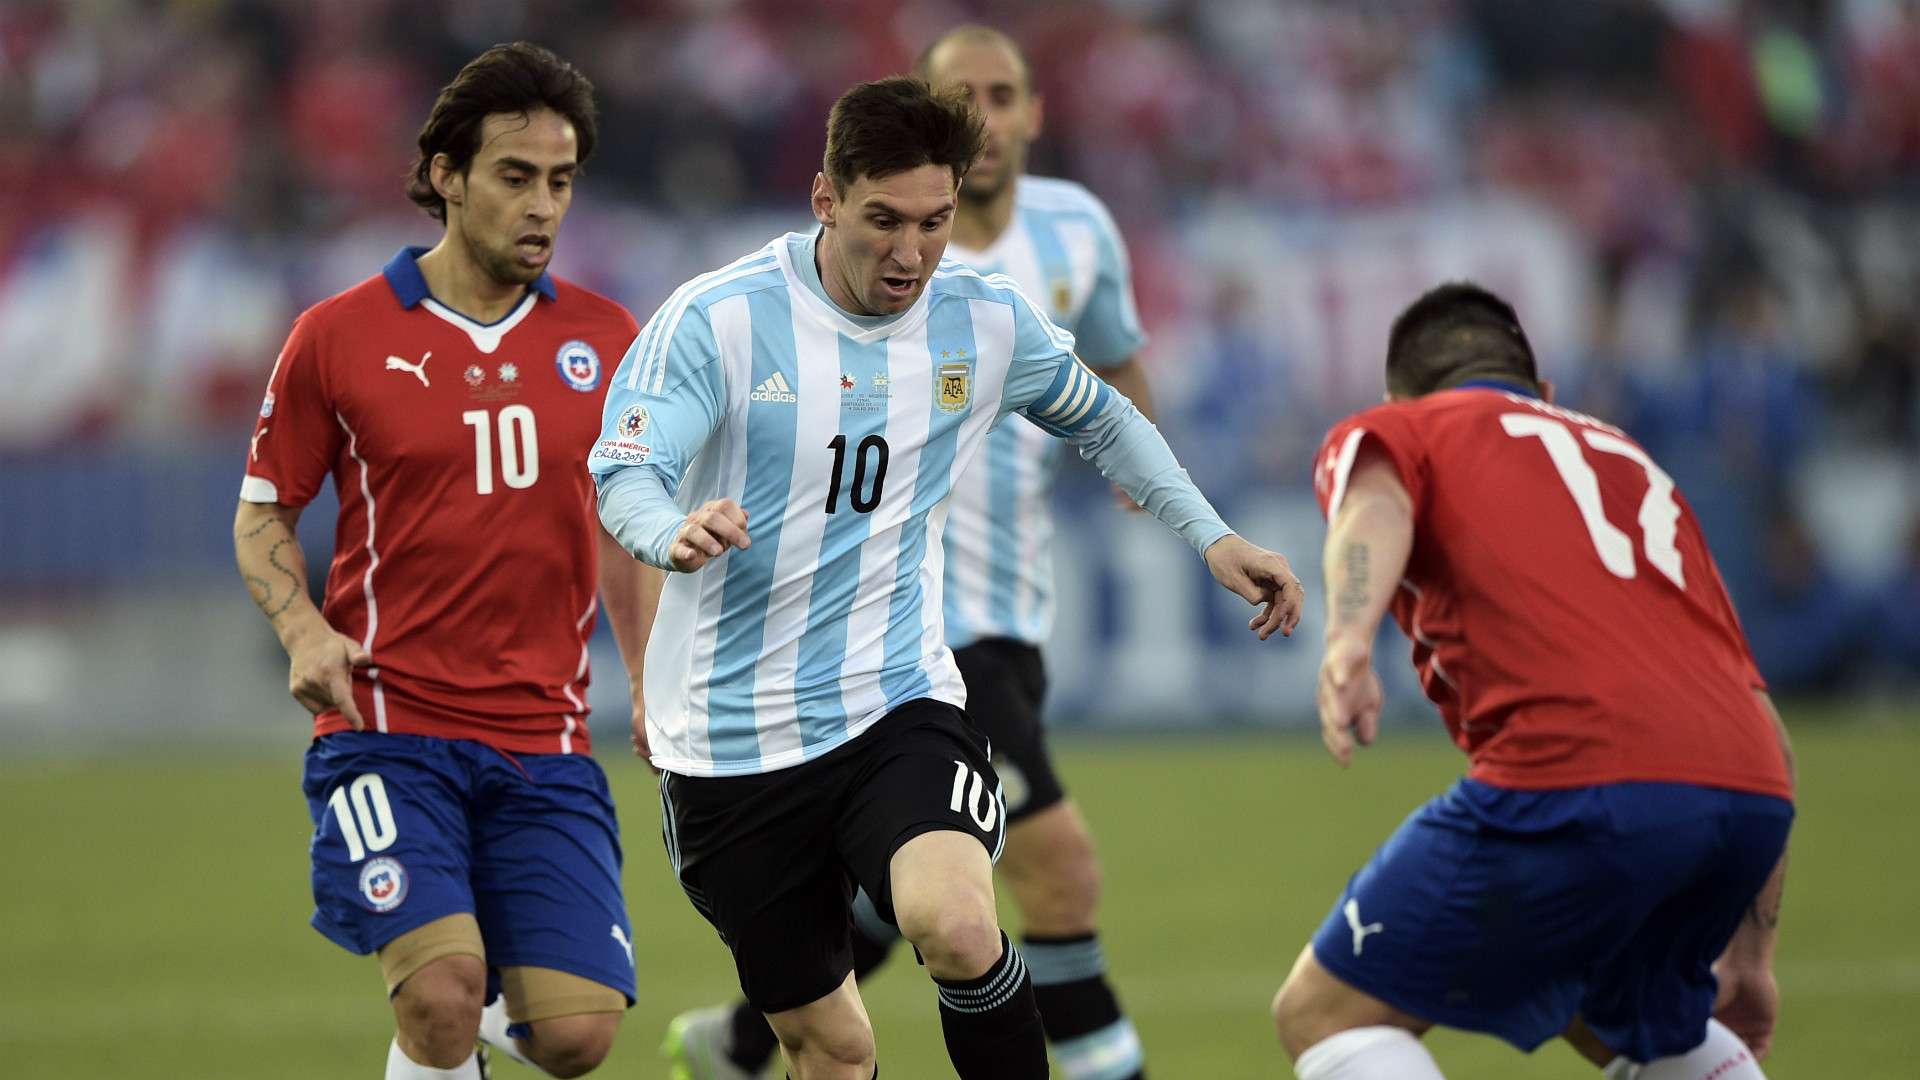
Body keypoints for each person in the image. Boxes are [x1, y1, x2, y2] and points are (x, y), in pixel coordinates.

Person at [594, 75, 1303, 1080]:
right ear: (825, 197)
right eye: (883, 220)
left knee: (959, 924)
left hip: (895, 702)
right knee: (832, 1049)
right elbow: (625, 470)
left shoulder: (983, 321)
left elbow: (1099, 414)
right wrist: (669, 531)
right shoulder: (718, 321)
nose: (912, 253)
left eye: (934, 222)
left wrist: (1212, 537)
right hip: (728, 742)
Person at [664, 26, 1159, 1080]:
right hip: (925, 632)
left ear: (1028, 115)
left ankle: (740, 1043)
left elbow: (1111, 377)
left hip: (1016, 611)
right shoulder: (845, 271)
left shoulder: (1074, 236)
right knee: (1050, 874)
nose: (983, 115)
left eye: (1002, 94)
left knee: (919, 891)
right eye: (958, 94)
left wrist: (1141, 474)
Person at [233, 43, 654, 1080]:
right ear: (446, 177)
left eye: (560, 181)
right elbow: (261, 514)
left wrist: (651, 680)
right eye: (516, 177)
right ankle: (442, 1035)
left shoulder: (610, 340)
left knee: (575, 1038)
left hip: (543, 740)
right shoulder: (338, 335)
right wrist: (303, 629)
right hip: (386, 728)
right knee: (441, 993)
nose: (543, 206)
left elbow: (622, 525)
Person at [1271, 283, 1795, 1080]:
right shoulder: (1633, 465)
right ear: (1543, 394)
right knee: (1625, 1015)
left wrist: (1347, 640)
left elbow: (1374, 503)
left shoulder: (1396, 429)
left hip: (1579, 776)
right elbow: (1756, 707)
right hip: (1752, 786)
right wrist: (1753, 955)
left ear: (1399, 396)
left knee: (1322, 1012)